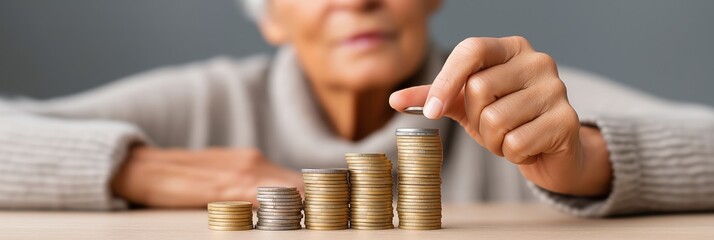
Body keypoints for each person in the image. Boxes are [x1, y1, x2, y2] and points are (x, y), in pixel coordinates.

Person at [1, 0, 712, 216]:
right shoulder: (207, 99)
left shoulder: (522, 101)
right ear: (269, 17)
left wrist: (588, 160)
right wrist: (137, 169)